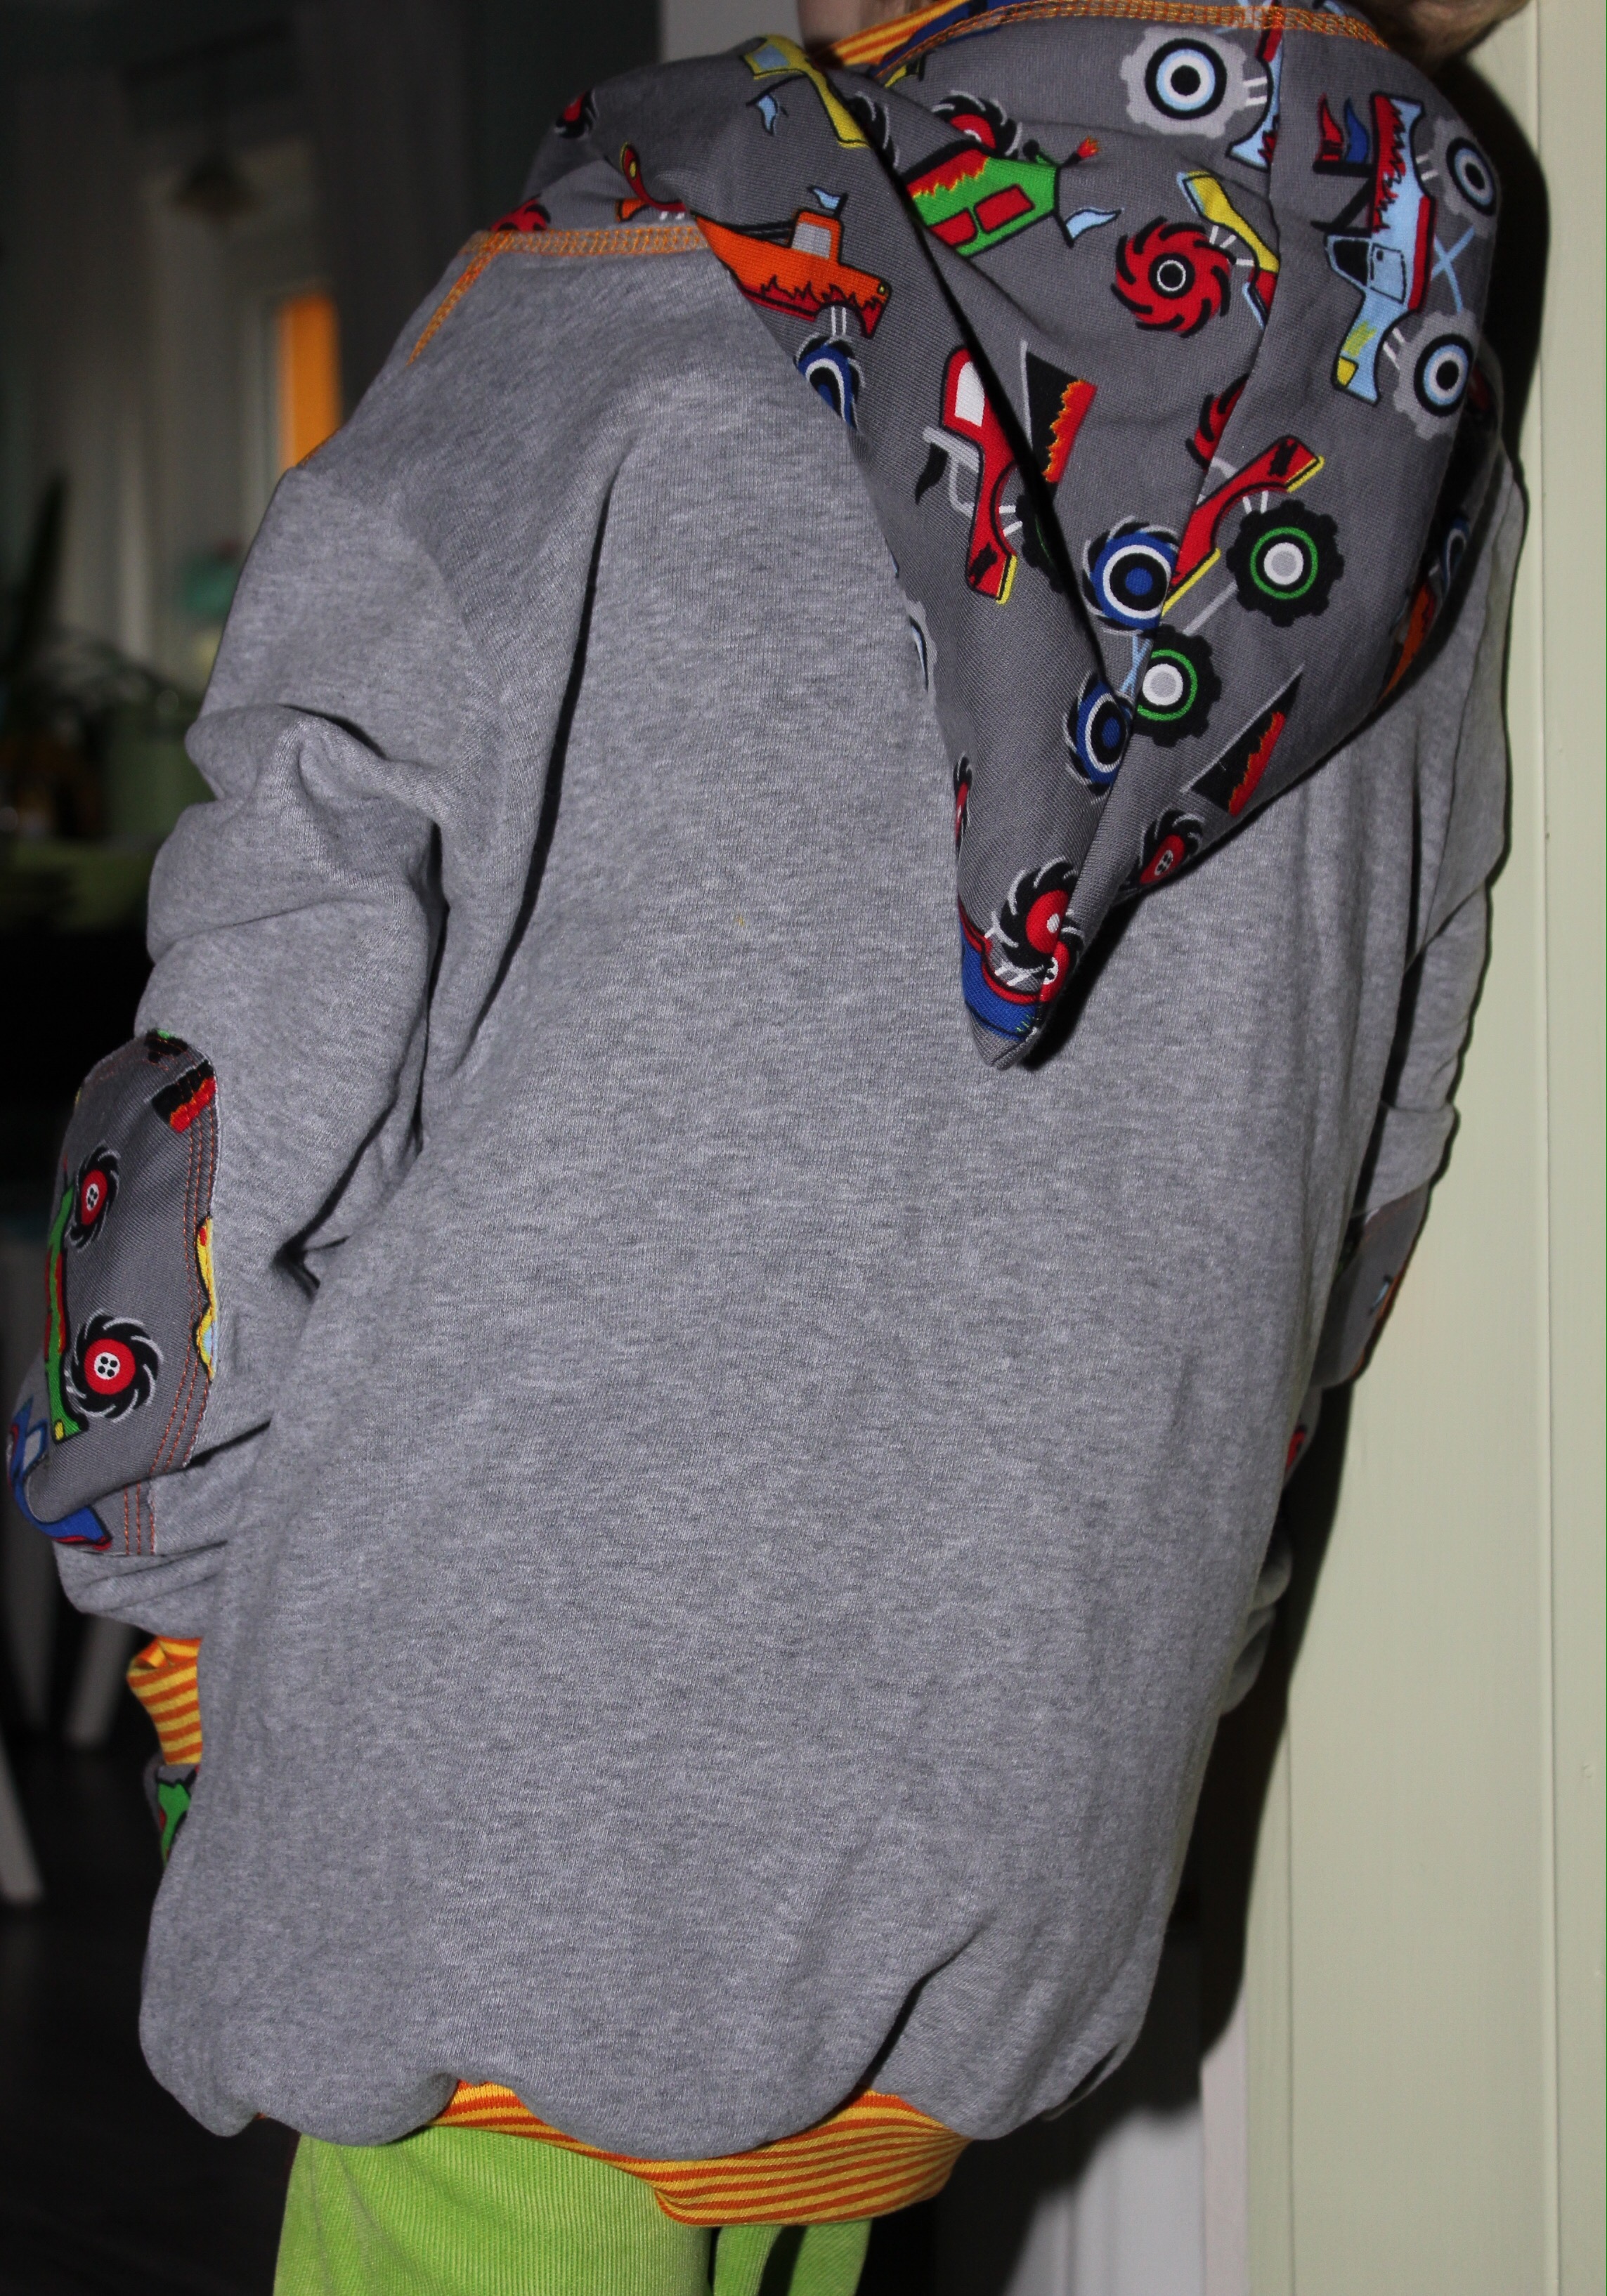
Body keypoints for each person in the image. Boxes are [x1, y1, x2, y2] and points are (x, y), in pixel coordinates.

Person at [7, 0, 1525, 2288]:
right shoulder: (1407, 470)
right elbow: (1361, 1188)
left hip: (479, 1768)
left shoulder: (608, 302)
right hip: (996, 1788)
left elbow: (255, 1013)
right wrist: (1168, 1654)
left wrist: (168, 1566)